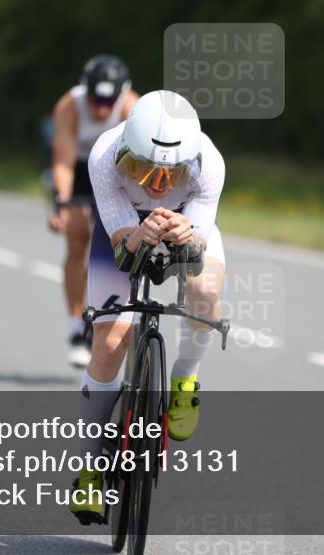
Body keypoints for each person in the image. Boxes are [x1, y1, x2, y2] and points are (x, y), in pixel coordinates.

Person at [69, 90, 226, 521]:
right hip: (122, 232)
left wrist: (187, 234)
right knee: (111, 339)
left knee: (206, 293)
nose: (155, 185)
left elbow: (198, 246)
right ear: (124, 153)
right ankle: (89, 471)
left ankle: (185, 380)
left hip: (185, 225)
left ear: (190, 164)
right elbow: (122, 249)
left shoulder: (210, 163)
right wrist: (137, 235)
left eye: (170, 175)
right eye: (140, 169)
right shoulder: (104, 156)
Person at [47, 55, 139, 367]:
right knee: (76, 238)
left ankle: (115, 309)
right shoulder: (69, 107)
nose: (101, 109)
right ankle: (76, 327)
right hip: (80, 170)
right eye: (95, 100)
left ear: (122, 94)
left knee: (122, 238)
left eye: (108, 101)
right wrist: (61, 202)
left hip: (118, 173)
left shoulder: (131, 107)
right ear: (85, 92)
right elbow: (62, 161)